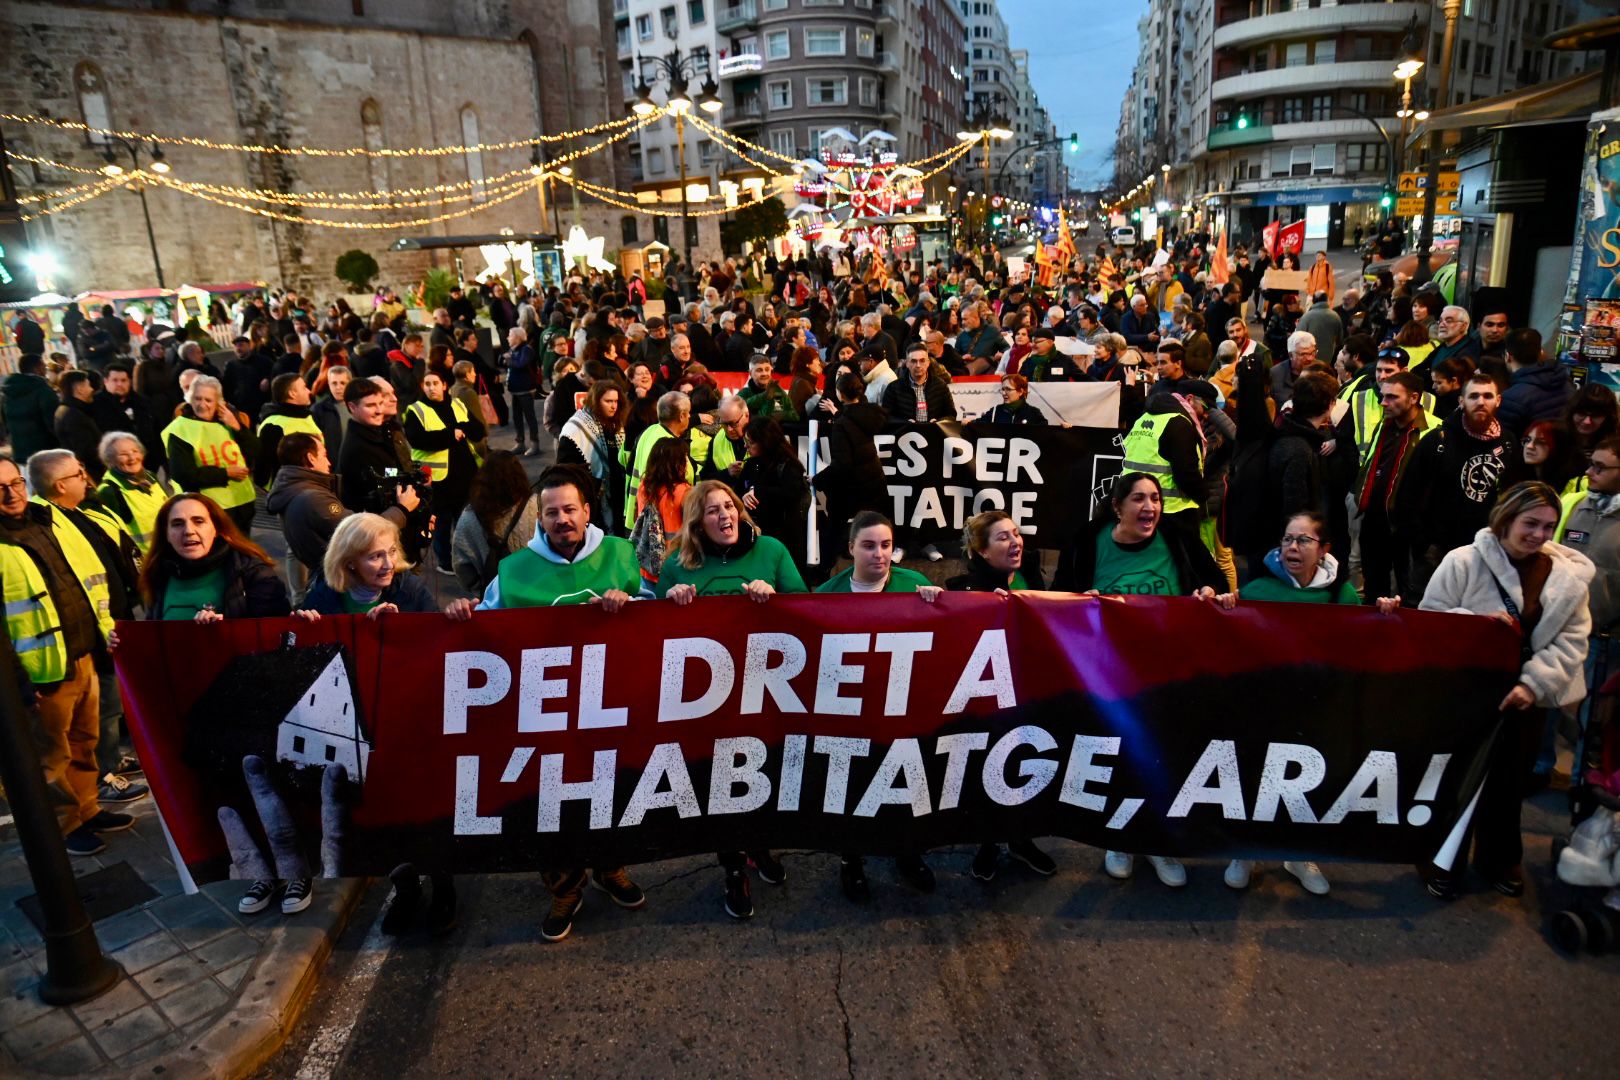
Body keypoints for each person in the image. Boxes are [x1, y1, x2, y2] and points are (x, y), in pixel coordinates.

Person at [444, 468, 647, 941]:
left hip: (609, 708)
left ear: (587, 512)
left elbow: (653, 618)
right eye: (551, 511)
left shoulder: (621, 554)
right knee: (550, 802)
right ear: (541, 516)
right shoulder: (513, 571)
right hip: (544, 716)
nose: (561, 519)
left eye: (569, 509)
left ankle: (609, 866)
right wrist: (463, 615)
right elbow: (487, 624)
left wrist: (634, 602)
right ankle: (565, 886)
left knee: (611, 790)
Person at [1419, 481, 1594, 899]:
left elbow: (1573, 641)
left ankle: (1499, 857)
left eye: (1549, 527)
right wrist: (1476, 628)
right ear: (1506, 519)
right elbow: (1432, 620)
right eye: (1530, 523)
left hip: (1527, 700)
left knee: (1509, 783)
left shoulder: (1568, 577)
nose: (1539, 535)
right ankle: (1442, 857)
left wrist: (1533, 684)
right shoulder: (1462, 562)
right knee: (1456, 779)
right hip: (1469, 695)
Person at [138, 493, 300, 910]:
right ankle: (258, 875)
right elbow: (156, 639)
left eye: (198, 521)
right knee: (228, 798)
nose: (189, 531)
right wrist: (126, 644)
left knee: (272, 789)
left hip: (252, 703)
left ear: (217, 526)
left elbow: (274, 633)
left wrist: (226, 630)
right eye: (177, 524)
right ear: (165, 534)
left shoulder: (254, 573)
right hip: (197, 713)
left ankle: (297, 873)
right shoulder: (158, 577)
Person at [656, 480, 804, 918]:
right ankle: (732, 869)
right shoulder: (678, 564)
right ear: (697, 524)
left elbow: (809, 608)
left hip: (764, 696)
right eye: (713, 511)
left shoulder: (772, 550)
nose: (725, 516)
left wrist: (775, 600)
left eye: (730, 507)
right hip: (708, 701)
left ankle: (758, 845)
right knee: (719, 784)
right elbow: (654, 631)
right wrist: (669, 601)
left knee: (761, 774)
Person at [0, 453, 130, 856]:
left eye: (15, 483)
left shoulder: (47, 518)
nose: (11, 494)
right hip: (41, 675)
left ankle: (87, 809)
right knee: (51, 758)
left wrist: (104, 637)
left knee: (84, 741)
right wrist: (20, 685)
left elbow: (87, 579)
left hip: (81, 656)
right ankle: (63, 826)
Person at [815, 511, 943, 901]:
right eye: (869, 546)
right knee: (849, 787)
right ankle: (851, 860)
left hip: (901, 708)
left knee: (904, 783)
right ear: (851, 548)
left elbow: (945, 638)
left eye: (886, 545)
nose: (879, 554)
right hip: (848, 711)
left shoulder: (915, 584)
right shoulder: (827, 594)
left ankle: (907, 851)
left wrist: (940, 606)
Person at [942, 510, 1059, 881]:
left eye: (1016, 534)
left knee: (1028, 765)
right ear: (981, 551)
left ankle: (1021, 840)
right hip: (985, 699)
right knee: (988, 771)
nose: (1015, 542)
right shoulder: (961, 587)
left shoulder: (1030, 575)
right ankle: (989, 842)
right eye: (1003, 538)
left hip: (1030, 691)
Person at [1403, 373, 1529, 584]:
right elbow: (1409, 495)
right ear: (1461, 401)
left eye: (1488, 396)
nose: (1481, 402)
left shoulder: (1508, 442)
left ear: (1498, 400)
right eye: (1474, 396)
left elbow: (1514, 494)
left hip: (1489, 548)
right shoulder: (1438, 441)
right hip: (1438, 551)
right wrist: (1422, 544)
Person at [404, 369, 485, 570]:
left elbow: (478, 430)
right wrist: (451, 434)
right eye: (427, 384)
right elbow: (417, 440)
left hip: (465, 473)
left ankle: (465, 558)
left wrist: (464, 428)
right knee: (441, 522)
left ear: (444, 385)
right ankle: (445, 561)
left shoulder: (456, 403)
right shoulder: (416, 410)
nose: (431, 388)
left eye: (435, 383)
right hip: (437, 478)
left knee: (466, 519)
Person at [163, 375, 259, 534]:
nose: (202, 405)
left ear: (219, 403)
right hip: (208, 508)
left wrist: (237, 427)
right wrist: (225, 473)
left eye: (208, 400)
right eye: (197, 399)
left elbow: (255, 451)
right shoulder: (180, 429)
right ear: (189, 399)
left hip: (241, 503)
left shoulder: (227, 421)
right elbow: (182, 474)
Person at [815, 372, 890, 538]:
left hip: (854, 487)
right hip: (875, 481)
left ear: (840, 394)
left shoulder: (842, 424)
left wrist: (817, 480)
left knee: (835, 531)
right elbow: (854, 419)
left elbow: (842, 464)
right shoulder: (871, 414)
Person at [558, 380, 627, 535]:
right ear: (596, 401)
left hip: (616, 494)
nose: (613, 406)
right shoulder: (575, 428)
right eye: (608, 401)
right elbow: (565, 469)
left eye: (616, 401)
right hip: (592, 497)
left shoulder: (617, 423)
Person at [738, 416, 811, 563]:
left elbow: (791, 493)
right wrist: (744, 496)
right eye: (745, 442)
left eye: (750, 442)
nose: (746, 446)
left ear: (765, 442)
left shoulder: (788, 465)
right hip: (756, 534)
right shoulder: (751, 464)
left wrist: (758, 490)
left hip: (785, 537)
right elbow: (739, 490)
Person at [95, 432, 176, 554]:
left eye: (135, 451)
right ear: (110, 460)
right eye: (123, 454)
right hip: (147, 561)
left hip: (171, 549)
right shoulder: (109, 491)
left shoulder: (150, 476)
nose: (132, 458)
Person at [621, 391, 692, 529]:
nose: (690, 416)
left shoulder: (650, 431)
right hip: (660, 524)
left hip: (639, 517)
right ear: (681, 416)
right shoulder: (667, 445)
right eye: (688, 412)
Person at [632, 437, 692, 587]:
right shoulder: (683, 492)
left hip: (647, 567)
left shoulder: (644, 488)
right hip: (675, 566)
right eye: (684, 457)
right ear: (678, 463)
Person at [91, 362, 164, 473]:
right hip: (118, 467)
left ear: (129, 382)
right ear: (106, 382)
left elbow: (156, 429)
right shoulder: (96, 405)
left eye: (123, 380)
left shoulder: (141, 402)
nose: (119, 384)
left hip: (149, 464)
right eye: (115, 380)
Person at [254, 372, 322, 489]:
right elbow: (263, 469)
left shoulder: (308, 416)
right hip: (290, 492)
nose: (308, 391)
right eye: (304, 387)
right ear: (292, 393)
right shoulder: (273, 425)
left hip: (314, 486)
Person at [1498, 328, 1571, 436]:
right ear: (1541, 353)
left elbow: (1507, 442)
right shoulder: (1565, 381)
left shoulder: (1511, 398)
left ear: (1508, 356)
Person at [5, 354, 63, 464]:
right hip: (44, 453)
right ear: (38, 368)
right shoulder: (43, 390)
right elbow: (54, 423)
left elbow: (5, 422)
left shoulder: (8, 392)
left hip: (20, 451)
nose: (45, 370)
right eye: (44, 366)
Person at [882, 341, 956, 422]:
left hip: (934, 431)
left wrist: (938, 422)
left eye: (922, 361)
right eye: (913, 361)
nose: (918, 365)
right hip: (906, 432)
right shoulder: (893, 388)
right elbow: (887, 416)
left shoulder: (940, 386)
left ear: (928, 363)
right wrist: (904, 422)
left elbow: (951, 414)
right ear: (907, 363)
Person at [982, 373, 1048, 425]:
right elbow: (977, 425)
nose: (1003, 393)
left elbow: (1044, 433)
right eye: (1003, 389)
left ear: (1020, 392)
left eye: (1008, 389)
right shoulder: (995, 411)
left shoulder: (1033, 413)